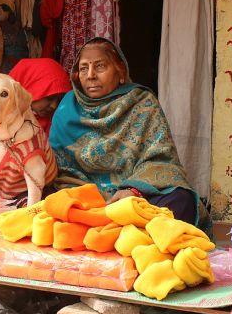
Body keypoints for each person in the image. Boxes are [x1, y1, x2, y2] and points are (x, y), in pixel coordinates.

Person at [49, 37, 199, 224]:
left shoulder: (142, 102)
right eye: (83, 68)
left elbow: (161, 160)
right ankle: (121, 230)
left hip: (135, 198)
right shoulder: (67, 108)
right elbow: (59, 171)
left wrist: (133, 190)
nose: (90, 75)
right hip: (84, 198)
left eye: (100, 66)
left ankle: (114, 229)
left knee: (181, 200)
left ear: (120, 73)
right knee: (51, 201)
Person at [0, 58, 71, 185]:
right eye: (49, 97)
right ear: (30, 88)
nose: (54, 106)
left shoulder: (52, 121)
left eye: (59, 100)